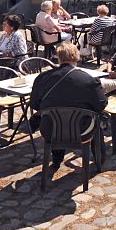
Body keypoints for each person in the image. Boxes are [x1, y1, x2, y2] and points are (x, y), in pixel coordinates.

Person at [29, 42, 107, 170]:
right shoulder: (88, 80)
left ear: (58, 57)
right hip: (80, 130)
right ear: (76, 56)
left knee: (56, 117)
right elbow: (100, 105)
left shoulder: (42, 78)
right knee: (96, 121)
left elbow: (35, 104)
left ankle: (56, 160)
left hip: (50, 129)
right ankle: (99, 160)